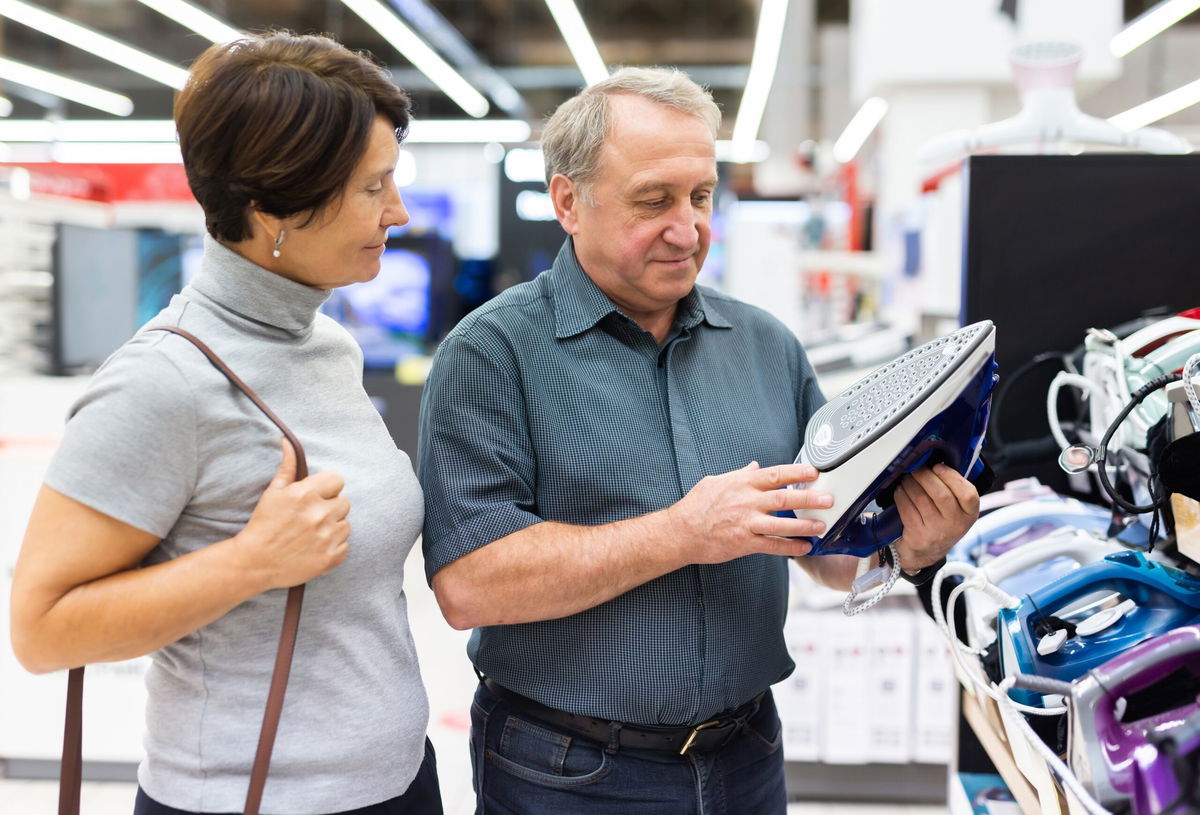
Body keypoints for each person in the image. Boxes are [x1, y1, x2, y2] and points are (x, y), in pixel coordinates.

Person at [417, 67, 980, 814]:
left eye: (702, 196)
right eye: (653, 201)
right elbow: (468, 583)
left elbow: (824, 545)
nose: (687, 229)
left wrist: (907, 547)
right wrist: (683, 532)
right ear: (567, 202)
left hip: (748, 756)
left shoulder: (765, 345)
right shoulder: (492, 353)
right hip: (569, 772)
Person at [10, 32, 441, 815]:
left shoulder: (327, 345)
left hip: (396, 783)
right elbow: (42, 629)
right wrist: (250, 561)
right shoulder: (163, 382)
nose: (399, 212)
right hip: (255, 799)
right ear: (273, 204)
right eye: (373, 187)